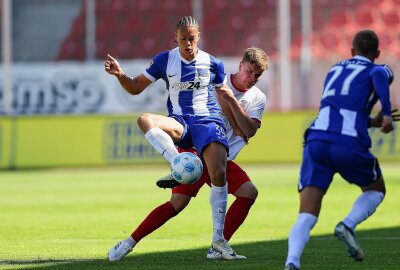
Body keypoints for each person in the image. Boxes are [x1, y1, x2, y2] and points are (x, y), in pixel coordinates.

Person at [107, 47, 269, 261]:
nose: (253, 78)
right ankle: (128, 243)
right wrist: (238, 121)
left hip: (221, 157)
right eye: (249, 71)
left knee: (249, 192)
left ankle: (217, 246)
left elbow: (248, 130)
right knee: (177, 204)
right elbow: (236, 127)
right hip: (196, 149)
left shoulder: (258, 97)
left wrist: (231, 102)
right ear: (240, 65)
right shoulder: (216, 81)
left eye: (257, 75)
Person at [284, 29, 395, 270]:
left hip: (316, 141)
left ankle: (292, 262)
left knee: (307, 213)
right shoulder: (378, 68)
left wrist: (371, 122)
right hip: (347, 144)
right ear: (376, 53)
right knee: (376, 189)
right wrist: (386, 114)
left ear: (352, 51)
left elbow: (342, 110)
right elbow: (380, 76)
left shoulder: (334, 70)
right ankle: (347, 224)